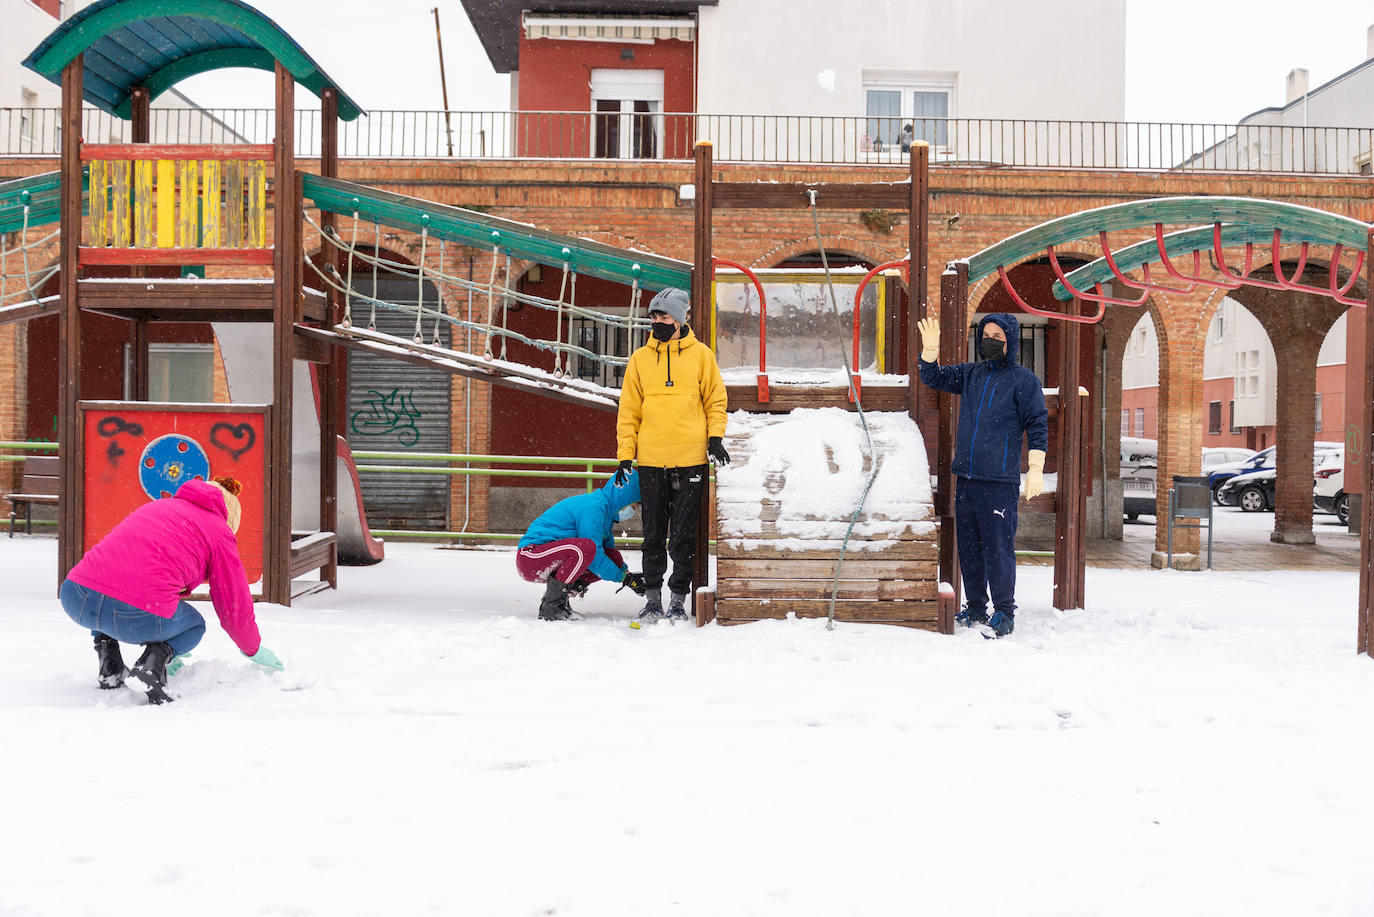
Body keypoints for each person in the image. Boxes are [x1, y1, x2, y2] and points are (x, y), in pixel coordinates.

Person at [59, 476, 283, 704]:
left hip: (76, 596)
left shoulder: (159, 506)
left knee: (110, 584)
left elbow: (116, 563)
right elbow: (234, 603)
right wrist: (252, 648)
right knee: (194, 625)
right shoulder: (218, 532)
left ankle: (110, 665)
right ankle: (152, 665)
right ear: (230, 517)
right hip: (136, 615)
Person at [916, 312, 1048, 638]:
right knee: (970, 548)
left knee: (998, 548)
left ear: (1010, 342)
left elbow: (1038, 424)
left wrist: (1036, 468)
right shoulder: (970, 374)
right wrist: (929, 353)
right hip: (968, 478)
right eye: (986, 334)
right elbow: (934, 378)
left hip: (999, 481)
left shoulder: (1023, 380)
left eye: (997, 337)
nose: (990, 341)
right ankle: (975, 606)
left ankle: (1004, 612)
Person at [615, 287, 729, 624]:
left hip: (690, 458)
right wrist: (626, 455)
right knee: (652, 534)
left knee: (682, 536)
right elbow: (628, 411)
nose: (657, 322)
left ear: (680, 318)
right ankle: (652, 600)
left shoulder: (701, 356)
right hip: (650, 460)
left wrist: (715, 438)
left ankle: (678, 600)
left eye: (664, 316)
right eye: (653, 317)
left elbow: (715, 400)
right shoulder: (639, 359)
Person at [517, 470, 647, 621]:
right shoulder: (593, 507)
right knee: (586, 548)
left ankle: (563, 598)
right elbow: (594, 554)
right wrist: (623, 579)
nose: (633, 511)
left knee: (611, 556)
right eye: (634, 506)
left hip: (551, 557)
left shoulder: (606, 515)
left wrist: (627, 575)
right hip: (532, 556)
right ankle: (552, 607)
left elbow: (608, 553)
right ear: (624, 498)